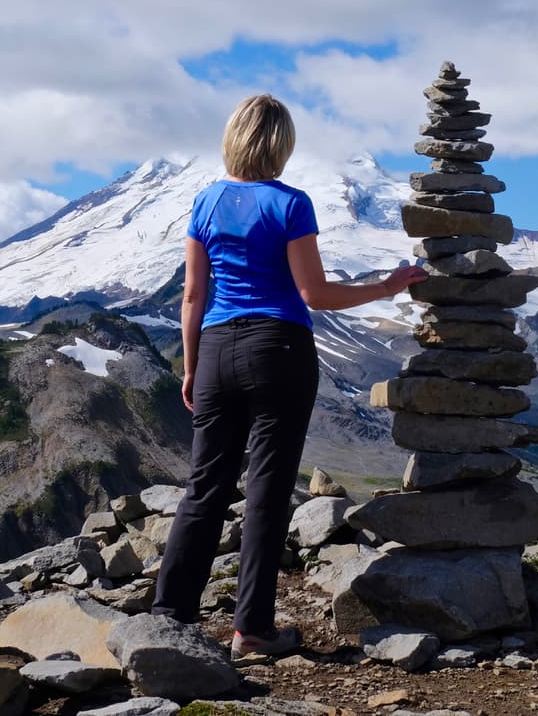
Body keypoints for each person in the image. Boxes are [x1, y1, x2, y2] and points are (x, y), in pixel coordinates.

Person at [151, 94, 427, 658]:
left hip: (216, 348)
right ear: (281, 145)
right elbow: (314, 294)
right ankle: (252, 629)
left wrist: (191, 362)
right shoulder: (291, 204)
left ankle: (167, 617)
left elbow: (193, 295)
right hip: (278, 348)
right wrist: (388, 285)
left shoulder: (204, 203)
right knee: (268, 490)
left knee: (204, 486)